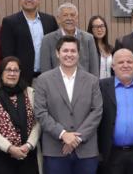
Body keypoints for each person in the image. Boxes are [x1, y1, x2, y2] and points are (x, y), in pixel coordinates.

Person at [33, 35, 103, 174]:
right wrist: (63, 134)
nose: (69, 54)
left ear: (78, 54)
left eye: (73, 51)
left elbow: (97, 111)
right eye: (65, 51)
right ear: (57, 53)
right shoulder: (43, 80)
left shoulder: (92, 80)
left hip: (86, 150)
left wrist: (77, 138)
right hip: (55, 150)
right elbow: (41, 112)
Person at [0, 56, 43, 174]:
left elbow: (38, 122)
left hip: (28, 154)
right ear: (0, 73)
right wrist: (10, 148)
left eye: (16, 70)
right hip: (0, 156)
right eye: (8, 70)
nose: (12, 73)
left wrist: (28, 145)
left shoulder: (30, 93)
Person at [98, 49, 133, 174]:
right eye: (120, 62)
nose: (125, 65)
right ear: (113, 66)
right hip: (111, 153)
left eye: (129, 61)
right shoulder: (101, 86)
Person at [1, 0, 59, 81]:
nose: (28, 0)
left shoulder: (50, 20)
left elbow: (57, 46)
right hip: (21, 76)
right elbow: (7, 51)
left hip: (48, 75)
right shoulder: (9, 22)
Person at [40, 3, 99, 76]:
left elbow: (94, 67)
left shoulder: (88, 38)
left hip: (83, 83)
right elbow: (45, 68)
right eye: (65, 15)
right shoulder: (48, 39)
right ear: (58, 18)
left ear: (77, 18)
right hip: (56, 84)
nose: (69, 18)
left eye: (72, 15)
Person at [88, 15, 115, 79]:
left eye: (102, 26)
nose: (99, 29)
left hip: (109, 85)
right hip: (95, 85)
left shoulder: (111, 49)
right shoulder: (88, 48)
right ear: (90, 29)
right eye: (95, 27)